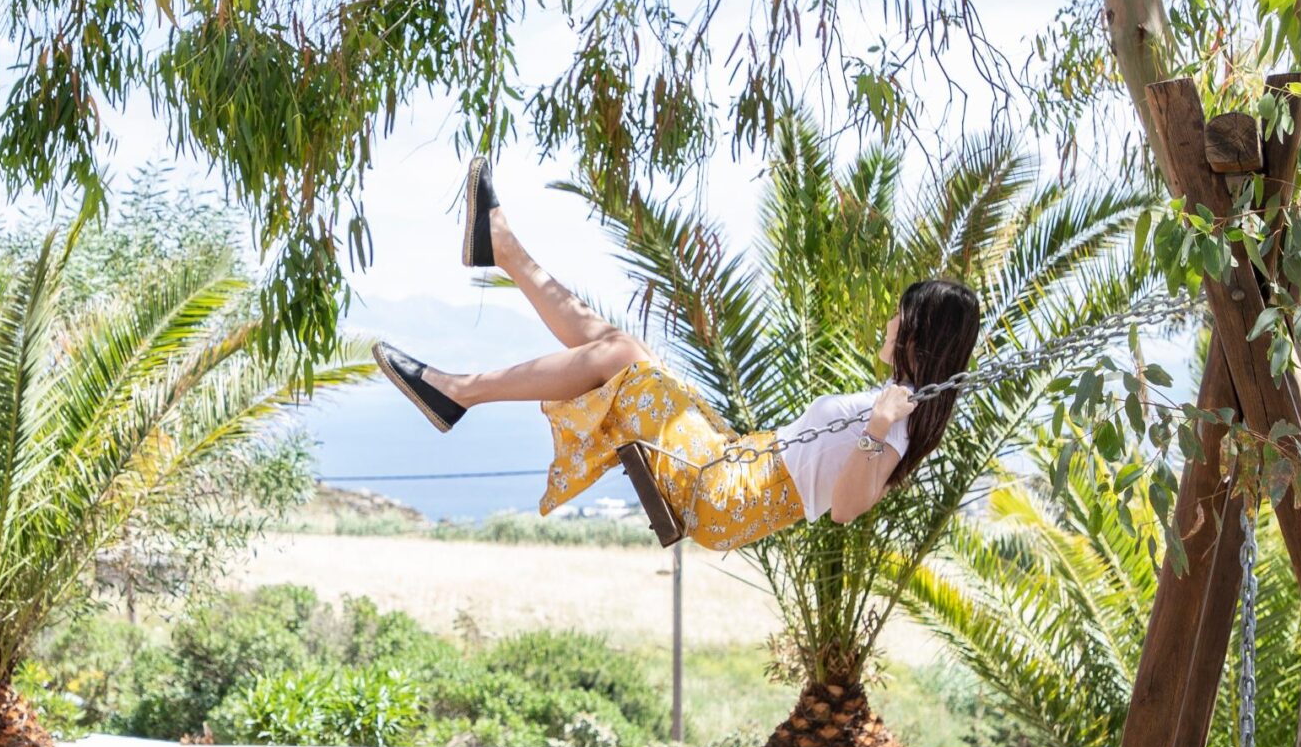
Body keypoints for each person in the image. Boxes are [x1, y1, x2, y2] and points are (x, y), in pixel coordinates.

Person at [372, 160, 982, 551]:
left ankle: (460, 386)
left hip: (728, 496)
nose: (889, 318)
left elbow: (847, 510)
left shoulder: (895, 428)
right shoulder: (896, 410)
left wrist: (876, 427)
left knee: (620, 354)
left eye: (902, 314)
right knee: (620, 346)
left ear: (918, 333)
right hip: (729, 463)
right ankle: (500, 253)